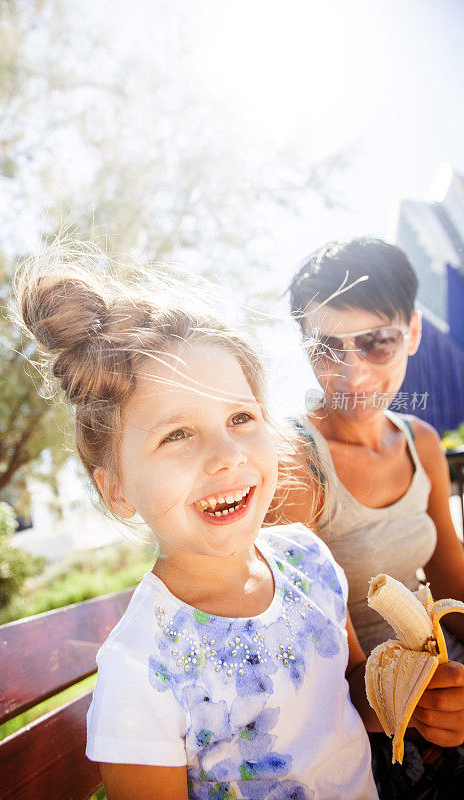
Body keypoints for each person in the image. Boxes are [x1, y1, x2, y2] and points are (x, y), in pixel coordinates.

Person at [15, 243, 381, 800]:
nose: (227, 454)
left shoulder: (309, 558)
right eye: (177, 435)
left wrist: (411, 702)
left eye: (241, 416)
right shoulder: (142, 671)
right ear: (114, 489)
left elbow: (352, 690)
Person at [282, 236, 464, 798]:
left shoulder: (422, 442)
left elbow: (453, 583)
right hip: (379, 717)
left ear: (411, 332)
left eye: (376, 343)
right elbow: (337, 672)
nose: (352, 375)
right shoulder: (294, 463)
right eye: (326, 348)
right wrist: (426, 696)